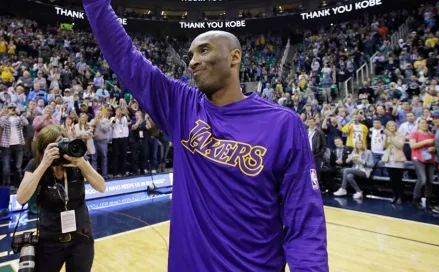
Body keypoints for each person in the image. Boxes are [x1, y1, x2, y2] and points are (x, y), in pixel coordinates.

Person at [83, 0, 328, 271]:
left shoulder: (283, 123)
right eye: (190, 55)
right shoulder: (181, 106)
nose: (193, 62)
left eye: (203, 51)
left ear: (234, 57)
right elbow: (124, 56)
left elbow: (304, 221)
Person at [16, 125, 106, 272]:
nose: (61, 148)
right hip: (50, 240)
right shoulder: (36, 164)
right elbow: (21, 198)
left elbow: (101, 187)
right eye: (55, 145)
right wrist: (44, 164)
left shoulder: (76, 161)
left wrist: (83, 164)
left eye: (63, 143)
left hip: (81, 238)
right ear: (43, 149)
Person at [409, 119, 436, 210]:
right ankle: (416, 199)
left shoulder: (431, 135)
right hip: (418, 158)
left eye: (426, 123)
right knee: (422, 179)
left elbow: (435, 146)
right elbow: (412, 146)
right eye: (422, 123)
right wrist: (426, 142)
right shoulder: (415, 133)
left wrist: (433, 149)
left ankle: (429, 199)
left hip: (430, 158)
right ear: (418, 124)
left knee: (430, 181)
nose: (424, 124)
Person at [382, 121, 406, 205]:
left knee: (398, 179)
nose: (391, 127)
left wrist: (391, 136)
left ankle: (400, 197)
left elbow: (399, 145)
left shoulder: (401, 135)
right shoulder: (387, 135)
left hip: (398, 159)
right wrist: (386, 136)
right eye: (389, 126)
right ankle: (394, 196)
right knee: (392, 180)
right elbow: (384, 146)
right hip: (389, 159)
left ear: (396, 127)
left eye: (393, 126)